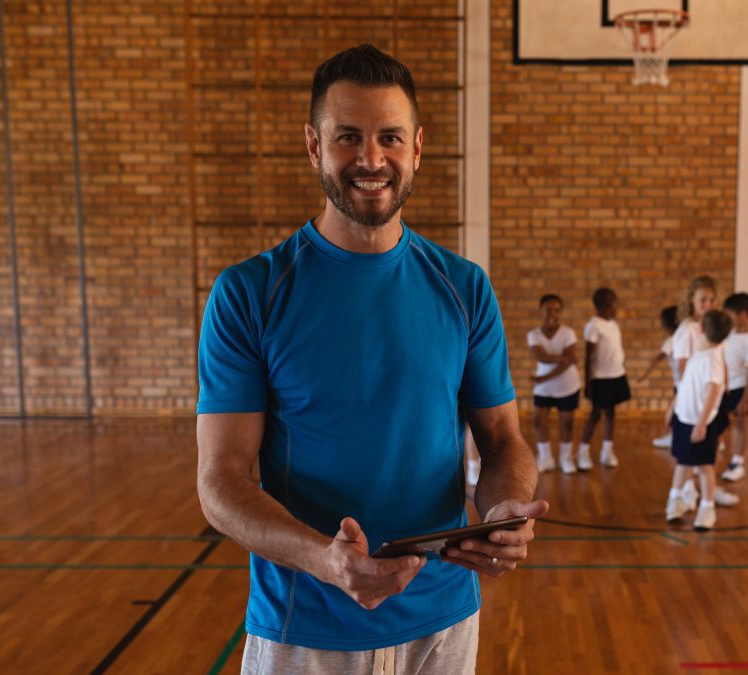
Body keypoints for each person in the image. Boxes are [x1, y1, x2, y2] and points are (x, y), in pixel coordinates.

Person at [194, 45, 548, 675]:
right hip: (306, 627)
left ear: (417, 147)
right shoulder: (250, 292)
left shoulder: (464, 288)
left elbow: (503, 442)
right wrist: (324, 560)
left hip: (443, 624)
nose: (371, 159)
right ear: (314, 146)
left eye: (389, 137)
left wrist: (501, 513)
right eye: (347, 137)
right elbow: (219, 482)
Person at [669, 276, 738, 511]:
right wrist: (677, 400)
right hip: (693, 397)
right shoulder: (688, 329)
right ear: (692, 300)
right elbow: (682, 368)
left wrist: (725, 390)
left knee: (710, 447)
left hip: (714, 396)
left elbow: (722, 359)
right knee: (690, 449)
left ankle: (708, 487)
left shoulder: (717, 325)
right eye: (703, 299)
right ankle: (689, 490)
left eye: (712, 299)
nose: (708, 304)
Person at [526, 294, 581, 473]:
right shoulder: (533, 334)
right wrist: (565, 358)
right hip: (544, 388)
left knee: (567, 423)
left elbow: (568, 364)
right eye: (548, 310)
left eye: (557, 310)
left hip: (567, 385)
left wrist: (544, 378)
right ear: (541, 311)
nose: (553, 314)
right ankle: (546, 458)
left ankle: (566, 458)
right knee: (538, 421)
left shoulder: (568, 333)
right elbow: (541, 356)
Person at [577, 287, 630, 469]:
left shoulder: (613, 324)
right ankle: (583, 452)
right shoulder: (594, 326)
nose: (617, 308)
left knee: (611, 412)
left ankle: (607, 451)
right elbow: (588, 357)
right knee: (595, 414)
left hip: (616, 375)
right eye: (615, 305)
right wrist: (588, 382)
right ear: (607, 306)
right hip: (600, 378)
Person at [720, 292, 748, 482]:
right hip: (724, 387)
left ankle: (738, 461)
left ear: (743, 314)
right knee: (720, 422)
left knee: (741, 423)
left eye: (730, 315)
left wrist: (745, 399)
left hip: (741, 388)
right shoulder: (729, 334)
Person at [635, 305, 681, 449]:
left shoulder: (671, 341)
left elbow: (658, 358)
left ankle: (674, 438)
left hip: (681, 384)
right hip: (684, 383)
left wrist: (645, 374)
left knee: (676, 412)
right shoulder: (684, 338)